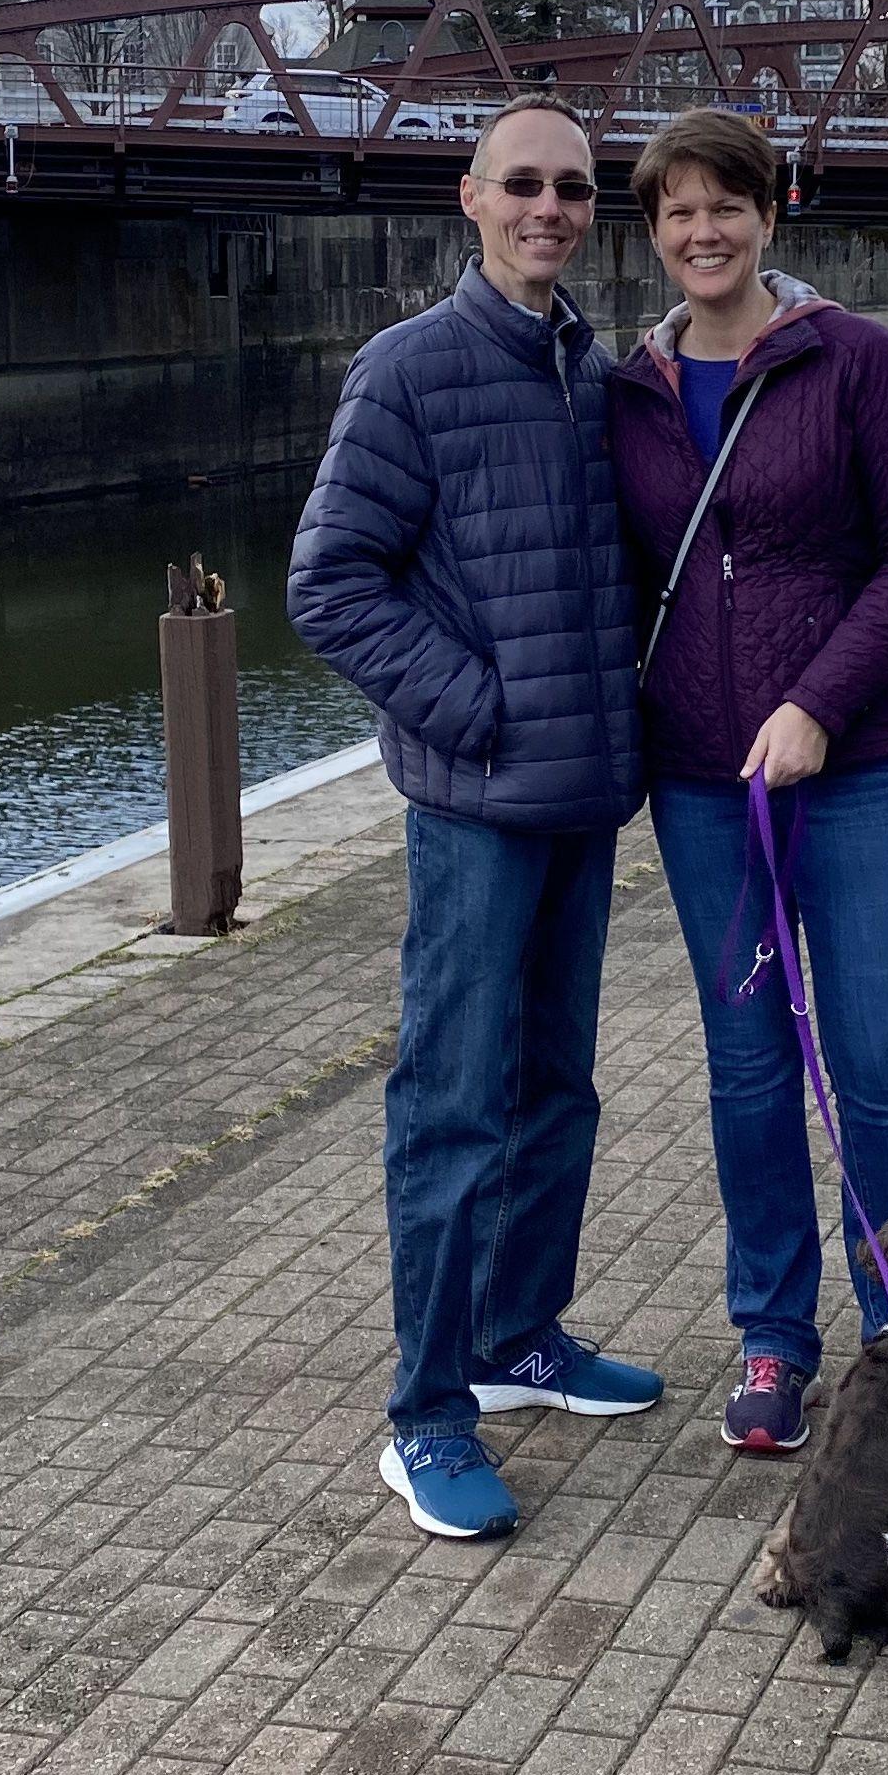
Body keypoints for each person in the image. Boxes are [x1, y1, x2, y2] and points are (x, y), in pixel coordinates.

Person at [289, 101, 664, 1540]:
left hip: (581, 801)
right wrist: (477, 708)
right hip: (478, 806)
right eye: (523, 184)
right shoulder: (410, 371)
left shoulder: (592, 373)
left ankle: (521, 1340)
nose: (549, 208)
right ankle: (426, 1412)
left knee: (557, 1088)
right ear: (471, 199)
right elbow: (330, 583)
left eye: (573, 189)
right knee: (451, 1105)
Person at [605, 107, 888, 1455]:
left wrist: (819, 701)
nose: (705, 232)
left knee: (875, 1071)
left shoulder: (852, 362)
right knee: (747, 1071)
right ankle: (772, 1335)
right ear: (654, 236)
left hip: (860, 773)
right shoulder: (629, 395)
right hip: (705, 788)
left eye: (727, 206)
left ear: (770, 215)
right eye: (678, 213)